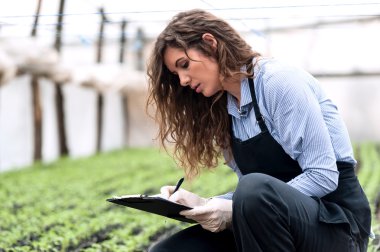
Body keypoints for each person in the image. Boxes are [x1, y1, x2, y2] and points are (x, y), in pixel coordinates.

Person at [146, 9, 371, 252]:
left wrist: (234, 209)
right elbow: (254, 199)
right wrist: (205, 204)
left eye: (184, 65)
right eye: (176, 74)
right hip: (270, 224)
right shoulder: (225, 111)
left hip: (335, 226)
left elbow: (323, 175)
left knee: (253, 190)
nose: (183, 80)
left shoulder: (278, 82)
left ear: (210, 43)